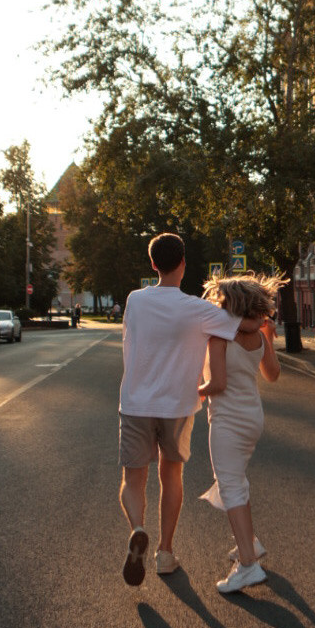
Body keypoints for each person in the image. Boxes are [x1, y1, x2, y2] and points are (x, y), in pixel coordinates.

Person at [118, 233, 260, 587]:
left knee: (133, 479)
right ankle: (165, 553)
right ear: (183, 264)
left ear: (153, 264)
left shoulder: (135, 300)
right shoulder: (198, 309)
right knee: (171, 476)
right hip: (178, 406)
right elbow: (245, 326)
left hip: (135, 403)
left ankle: (138, 528)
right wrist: (263, 315)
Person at [198, 273, 282, 594]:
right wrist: (267, 335)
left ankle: (248, 564)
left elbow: (217, 384)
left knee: (230, 486)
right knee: (236, 481)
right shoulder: (259, 336)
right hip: (252, 418)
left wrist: (193, 391)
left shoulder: (219, 336)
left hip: (228, 421)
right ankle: (250, 543)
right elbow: (272, 375)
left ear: (229, 304)